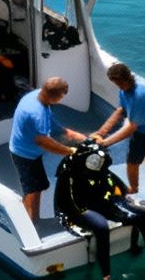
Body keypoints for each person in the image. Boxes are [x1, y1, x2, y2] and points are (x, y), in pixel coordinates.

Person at [55, 139, 145, 280]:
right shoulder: (69, 173)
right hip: (79, 208)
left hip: (101, 202)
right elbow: (68, 203)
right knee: (101, 227)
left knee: (144, 216)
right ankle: (107, 277)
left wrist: (124, 195)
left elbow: (113, 183)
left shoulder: (100, 170)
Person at [9, 77, 91, 225]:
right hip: (25, 154)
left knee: (38, 186)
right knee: (33, 189)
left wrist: (82, 138)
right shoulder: (37, 113)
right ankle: (32, 223)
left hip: (29, 149)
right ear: (55, 97)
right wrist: (70, 151)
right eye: (61, 96)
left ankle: (30, 215)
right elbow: (44, 142)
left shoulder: (36, 96)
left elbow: (56, 129)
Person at [93, 62, 145, 202]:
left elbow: (131, 127)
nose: (119, 87)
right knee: (132, 163)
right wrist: (102, 131)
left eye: (119, 83)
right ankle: (133, 189)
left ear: (126, 79)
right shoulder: (124, 89)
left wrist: (105, 142)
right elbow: (121, 110)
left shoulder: (141, 93)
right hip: (139, 132)